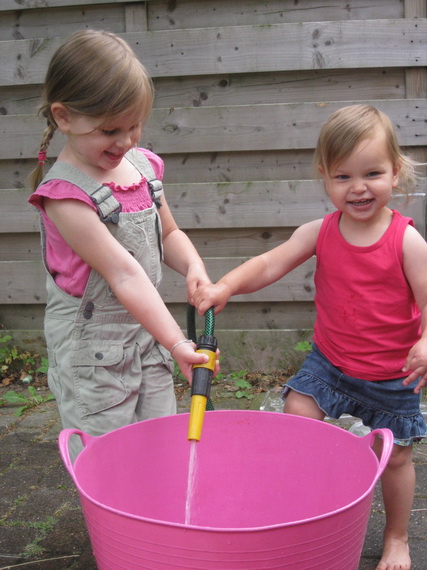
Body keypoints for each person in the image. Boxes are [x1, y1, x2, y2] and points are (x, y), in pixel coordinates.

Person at [193, 104, 427, 570]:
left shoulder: (406, 242)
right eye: (342, 177)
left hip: (392, 377)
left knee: (394, 458)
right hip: (331, 365)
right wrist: (226, 287)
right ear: (324, 177)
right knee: (297, 416)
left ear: (396, 173)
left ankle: (397, 536)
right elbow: (269, 263)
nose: (358, 188)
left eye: (372, 173)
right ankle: (314, 504)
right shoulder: (320, 232)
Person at [28, 29, 213, 456]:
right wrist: (178, 343)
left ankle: (154, 517)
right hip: (93, 349)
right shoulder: (65, 196)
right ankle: (116, 522)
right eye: (111, 130)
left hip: (146, 332)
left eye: (135, 126)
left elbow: (169, 234)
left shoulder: (142, 168)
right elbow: (124, 273)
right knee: (108, 450)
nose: (127, 141)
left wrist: (194, 268)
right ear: (64, 117)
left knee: (160, 437)